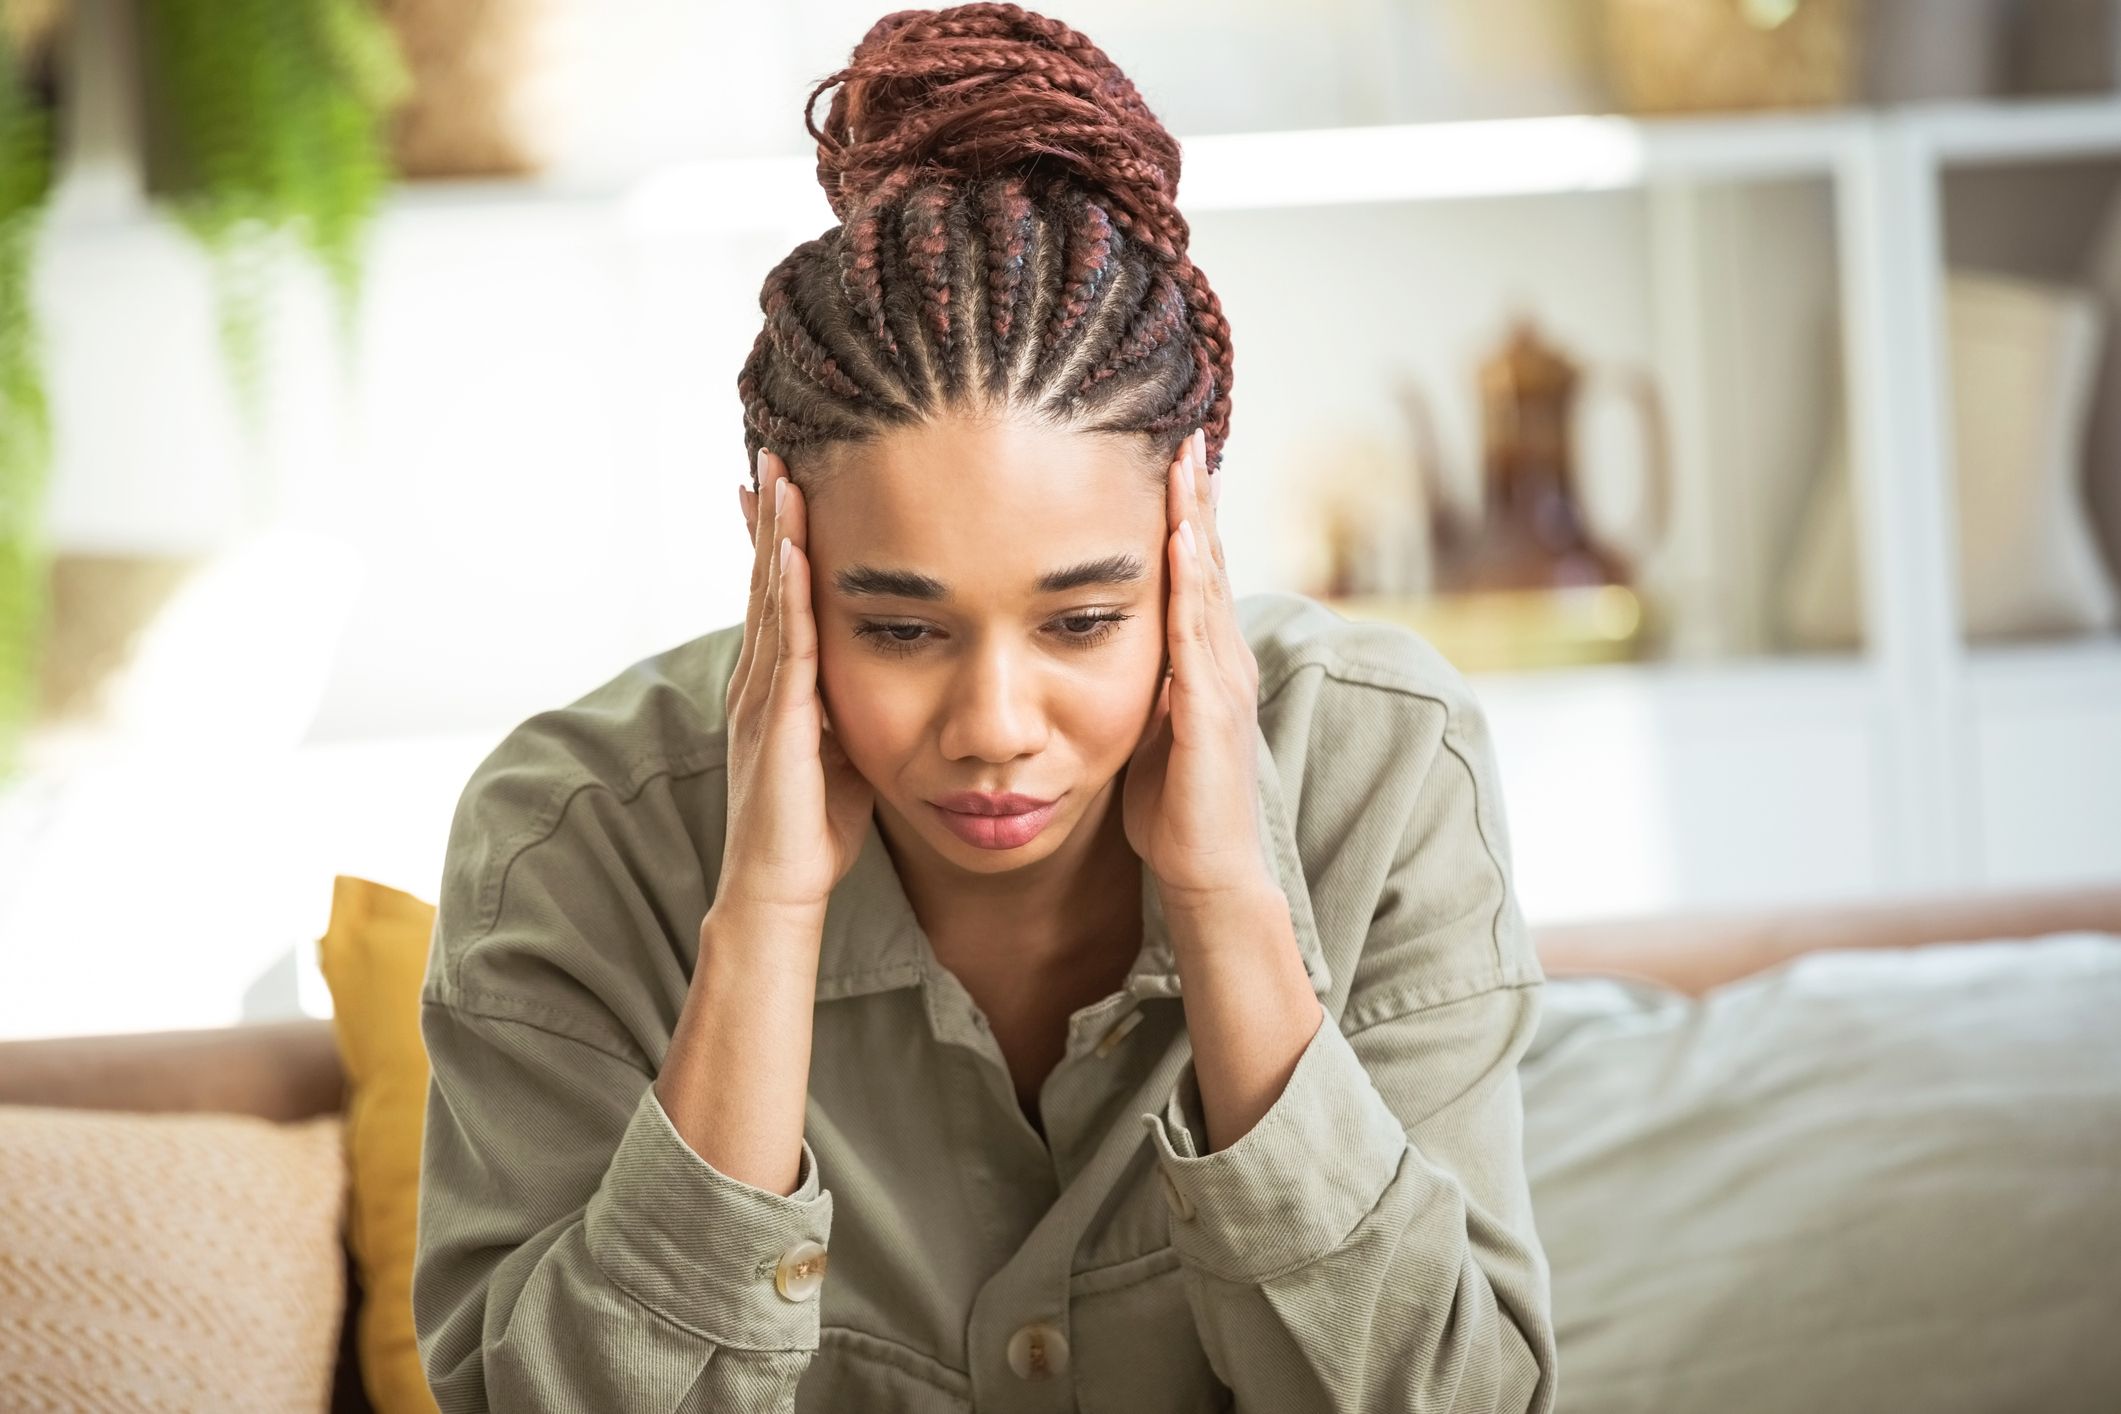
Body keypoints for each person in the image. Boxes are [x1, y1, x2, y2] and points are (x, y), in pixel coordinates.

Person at [410, 5, 1558, 1410]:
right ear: (783, 563)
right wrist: (762, 919)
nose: (994, 723)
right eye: (897, 626)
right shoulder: (568, 843)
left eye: (1082, 620)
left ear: (1186, 543)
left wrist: (1226, 903)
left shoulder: (1374, 767)